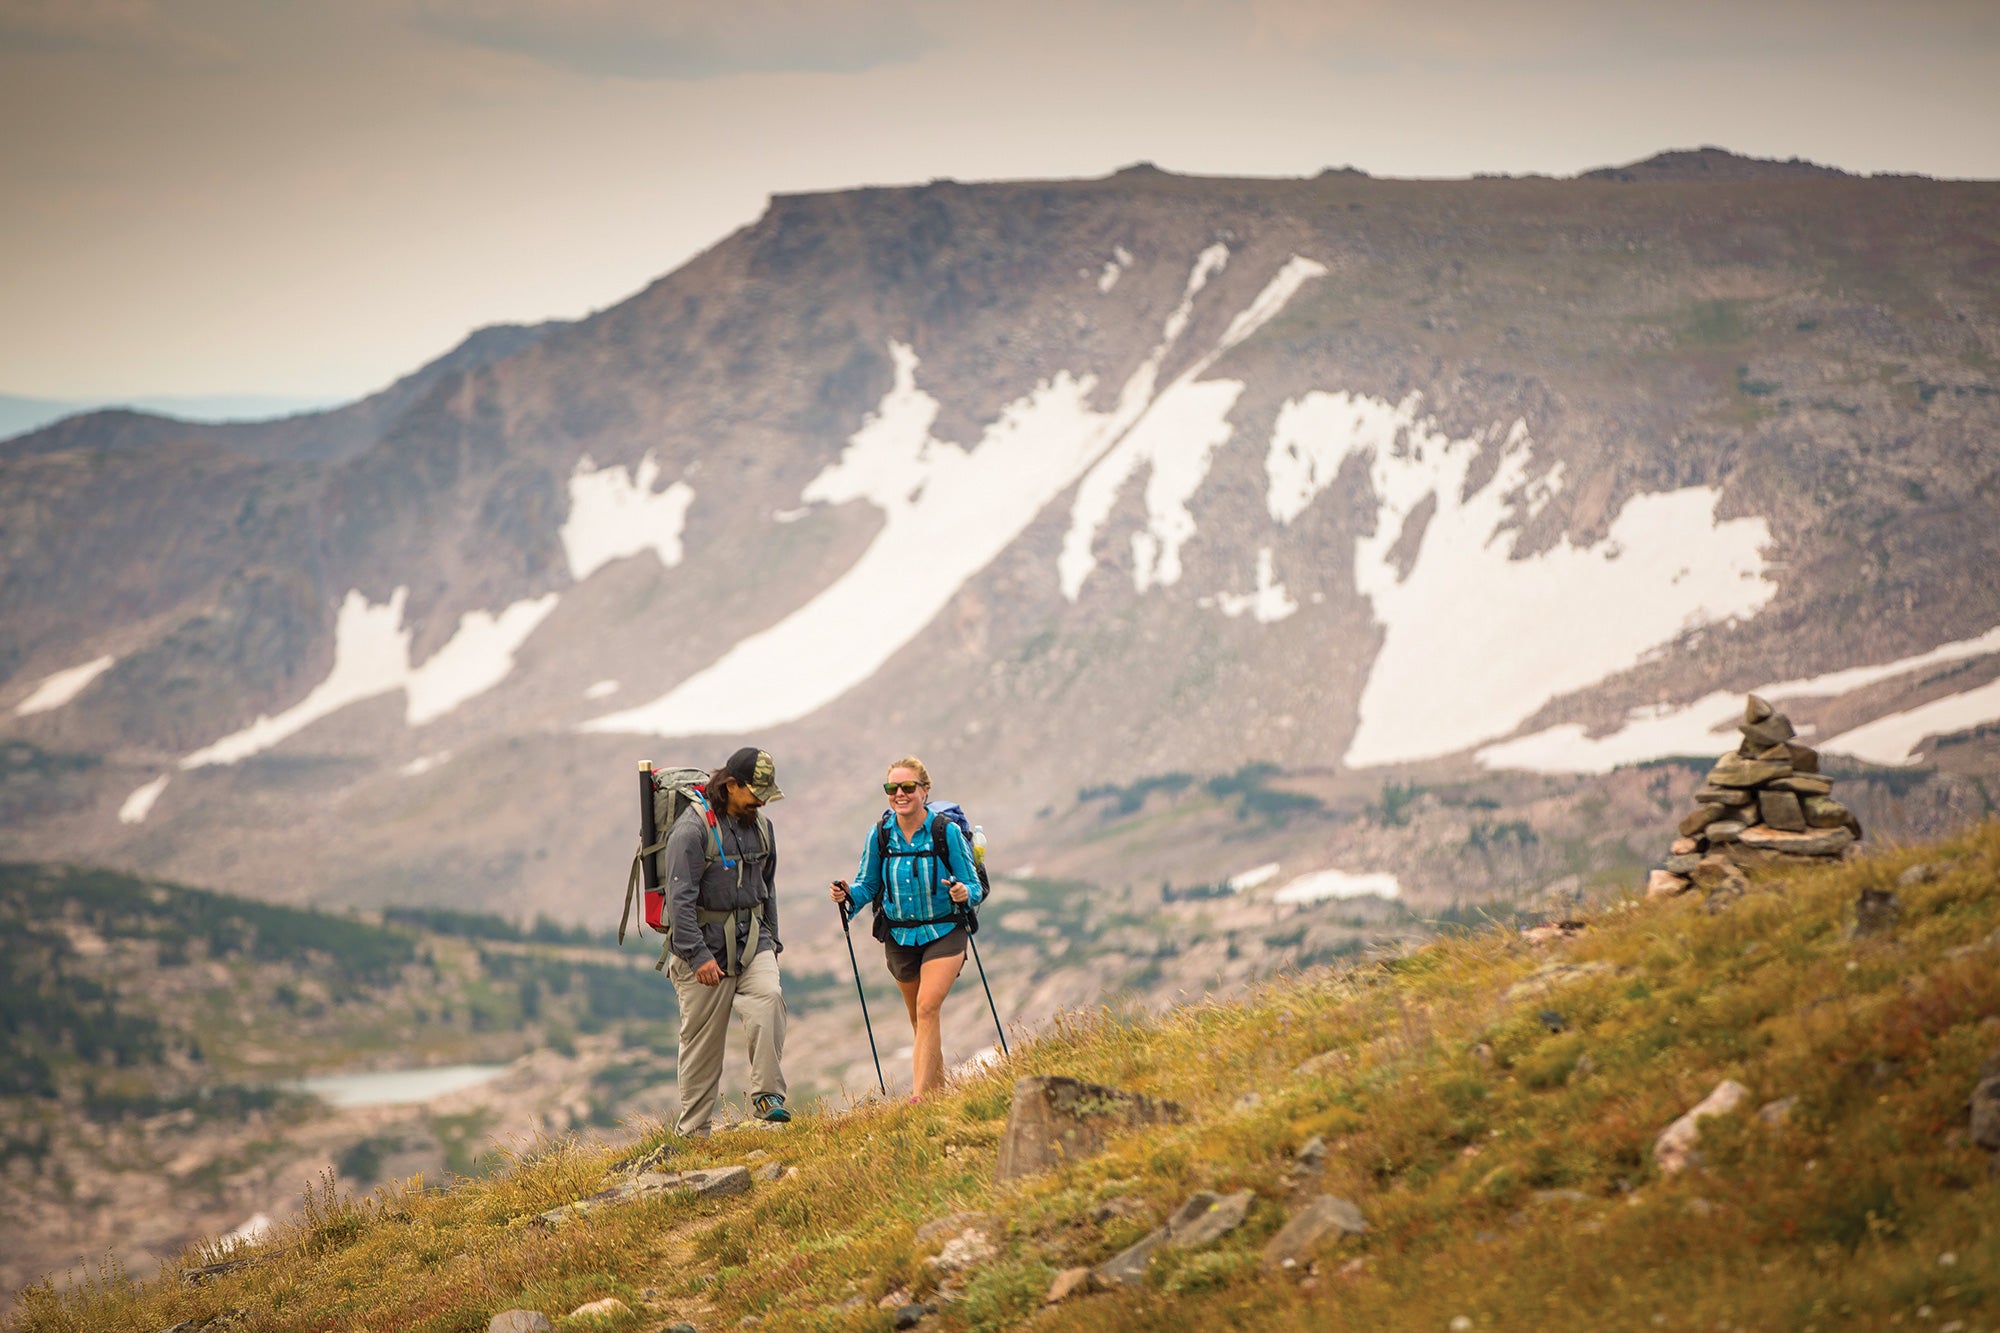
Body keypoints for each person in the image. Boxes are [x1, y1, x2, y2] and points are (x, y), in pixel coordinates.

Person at [829, 755, 984, 1100]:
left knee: (928, 1007)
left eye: (908, 786)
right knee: (920, 1020)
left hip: (946, 930)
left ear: (925, 790)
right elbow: (867, 886)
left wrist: (962, 892)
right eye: (892, 787)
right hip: (899, 936)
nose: (900, 793)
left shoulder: (947, 832)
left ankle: (918, 1100)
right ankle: (937, 1095)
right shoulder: (880, 835)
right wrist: (846, 894)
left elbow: (974, 886)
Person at [663, 745, 789, 1136]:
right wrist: (698, 956)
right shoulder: (691, 830)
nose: (762, 801)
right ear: (731, 785)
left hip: (754, 942)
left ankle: (767, 1096)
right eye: (756, 792)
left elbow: (766, 889)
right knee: (702, 1042)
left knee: (769, 998)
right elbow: (678, 900)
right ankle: (695, 1130)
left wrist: (773, 943)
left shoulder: (763, 828)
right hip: (701, 950)